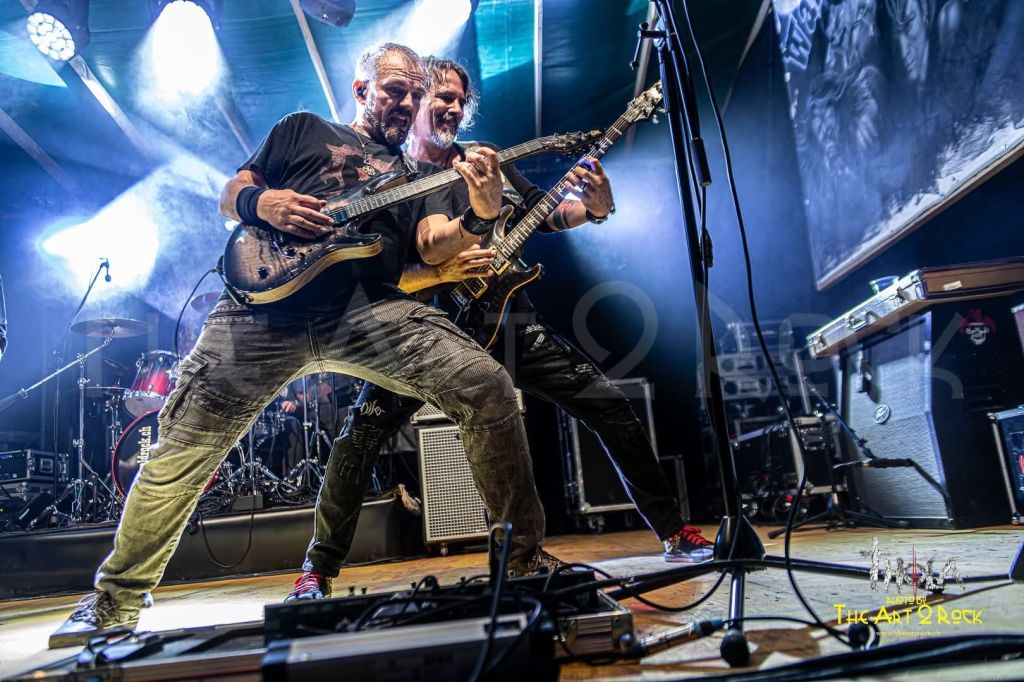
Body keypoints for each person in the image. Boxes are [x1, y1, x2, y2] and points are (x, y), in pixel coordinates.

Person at [49, 43, 549, 648]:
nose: (408, 102)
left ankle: (523, 565)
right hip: (260, 312)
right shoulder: (303, 129)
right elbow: (232, 192)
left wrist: (479, 214)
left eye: (416, 94)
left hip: (365, 311)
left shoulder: (420, 176)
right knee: (179, 451)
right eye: (396, 90)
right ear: (362, 90)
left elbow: (430, 245)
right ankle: (114, 599)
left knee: (487, 384)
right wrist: (264, 202)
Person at [286, 57, 713, 602]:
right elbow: (385, 271)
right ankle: (316, 572)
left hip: (508, 323)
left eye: (460, 100)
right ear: (417, 101)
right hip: (425, 332)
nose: (453, 107)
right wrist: (440, 271)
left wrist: (595, 209)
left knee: (607, 403)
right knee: (359, 436)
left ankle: (673, 532)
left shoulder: (487, 160)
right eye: (442, 96)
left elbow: (544, 213)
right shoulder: (396, 177)